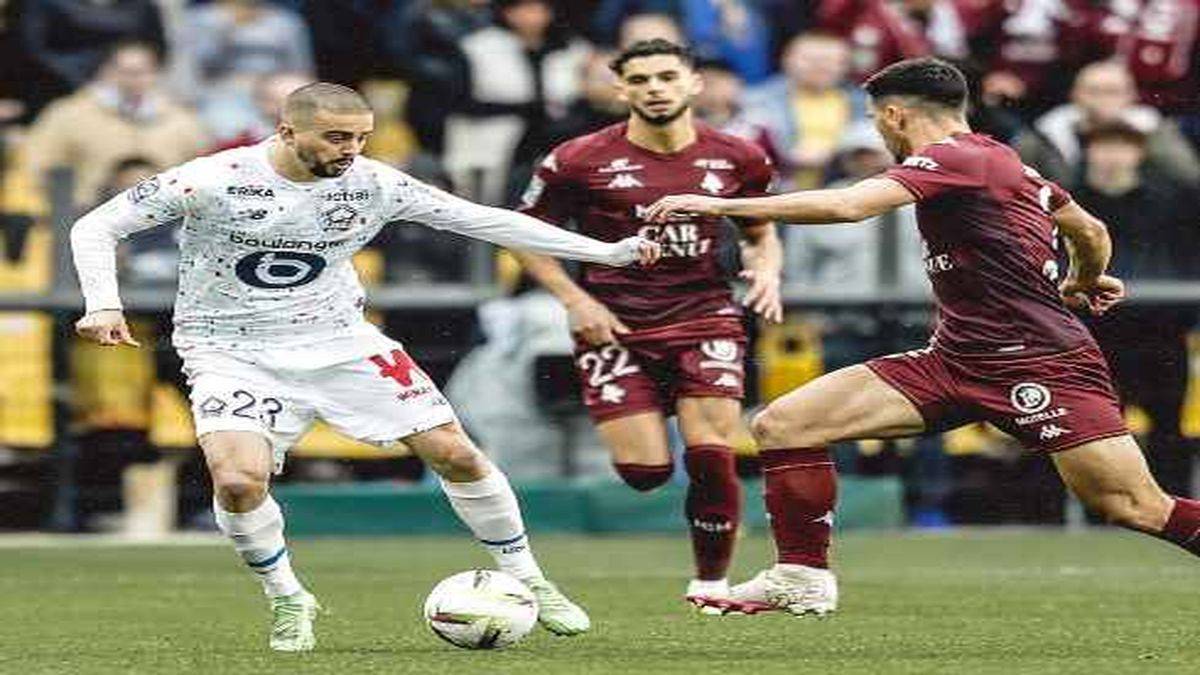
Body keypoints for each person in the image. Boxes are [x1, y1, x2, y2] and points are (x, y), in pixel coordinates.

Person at [70, 82, 660, 650]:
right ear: (286, 131)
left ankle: (530, 579)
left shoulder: (373, 183)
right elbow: (95, 225)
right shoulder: (214, 179)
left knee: (455, 452)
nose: (350, 151)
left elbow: (484, 219)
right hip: (232, 349)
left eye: (360, 137)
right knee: (238, 480)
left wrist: (605, 252)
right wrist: (103, 303)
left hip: (339, 341)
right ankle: (288, 597)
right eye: (334, 138)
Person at [646, 57, 1200, 616]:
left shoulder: (953, 156)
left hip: (1039, 361)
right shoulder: (1000, 158)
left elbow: (847, 204)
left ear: (893, 114)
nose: (880, 130)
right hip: (955, 358)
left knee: (1133, 505)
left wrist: (718, 204)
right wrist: (1083, 277)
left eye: (876, 119)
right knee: (785, 423)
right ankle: (801, 575)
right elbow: (1089, 228)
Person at [514, 39, 782, 607]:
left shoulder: (740, 155)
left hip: (704, 316)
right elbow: (524, 236)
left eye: (666, 76)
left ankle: (711, 586)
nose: (654, 88)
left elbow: (761, 229)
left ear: (694, 83)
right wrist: (574, 300)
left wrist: (768, 271)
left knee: (711, 450)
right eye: (640, 80)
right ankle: (652, 414)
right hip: (613, 323)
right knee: (644, 472)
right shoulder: (575, 159)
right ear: (621, 90)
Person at [1072, 121, 1200, 496]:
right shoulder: (1073, 203)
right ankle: (1104, 506)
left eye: (1122, 147)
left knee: (1168, 425)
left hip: (1160, 329)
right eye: (1103, 146)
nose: (1112, 156)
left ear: (1139, 153)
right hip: (1093, 331)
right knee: (1098, 427)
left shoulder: (1172, 202)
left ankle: (1172, 506)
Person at [24, 41, 207, 210]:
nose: (133, 80)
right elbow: (37, 167)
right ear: (106, 71)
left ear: (155, 74)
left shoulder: (182, 122)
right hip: (86, 216)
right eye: (125, 72)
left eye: (142, 72)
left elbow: (204, 177)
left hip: (164, 225)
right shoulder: (67, 115)